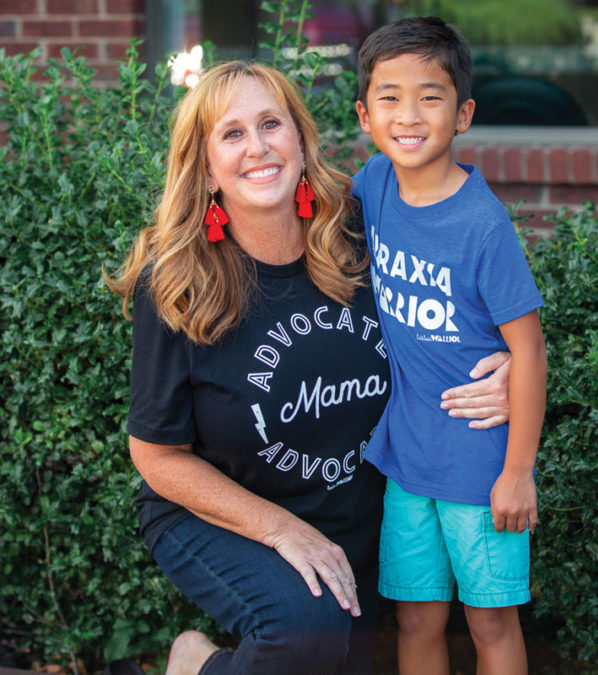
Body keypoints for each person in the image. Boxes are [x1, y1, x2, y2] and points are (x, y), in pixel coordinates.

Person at [106, 60, 512, 675]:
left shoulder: (362, 227)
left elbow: (462, 298)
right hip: (219, 511)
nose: (258, 147)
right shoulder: (177, 280)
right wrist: (279, 530)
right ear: (206, 167)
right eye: (232, 133)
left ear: (300, 138)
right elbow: (157, 454)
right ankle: (194, 663)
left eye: (271, 123)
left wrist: (507, 367)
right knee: (305, 631)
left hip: (353, 516)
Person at [352, 17, 547, 675]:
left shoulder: (481, 224)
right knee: (415, 615)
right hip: (407, 460)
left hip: (479, 461)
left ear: (462, 112)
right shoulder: (372, 184)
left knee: (489, 622)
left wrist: (517, 470)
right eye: (389, 96)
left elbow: (530, 349)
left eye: (429, 96)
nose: (408, 115)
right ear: (364, 113)